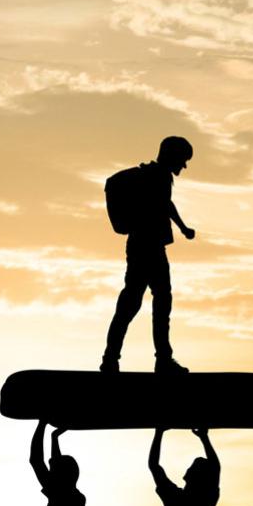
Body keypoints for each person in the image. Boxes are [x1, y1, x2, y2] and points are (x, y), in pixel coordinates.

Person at [101, 136, 198, 374]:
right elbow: (165, 205)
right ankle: (152, 359)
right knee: (141, 302)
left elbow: (167, 204)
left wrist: (183, 227)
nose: (184, 166)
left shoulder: (157, 176)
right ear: (172, 155)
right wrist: (183, 228)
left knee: (141, 302)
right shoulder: (158, 177)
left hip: (147, 246)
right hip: (147, 247)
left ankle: (116, 358)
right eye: (183, 160)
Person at [150, 428, 220, 506]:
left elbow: (154, 465)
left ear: (188, 474)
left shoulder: (174, 497)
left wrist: (159, 432)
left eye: (193, 466)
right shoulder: (205, 501)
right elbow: (215, 468)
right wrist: (204, 438)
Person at [31, 421, 86, 506]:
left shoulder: (58, 494)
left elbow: (36, 460)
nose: (50, 472)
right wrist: (54, 437)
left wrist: (41, 424)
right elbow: (58, 467)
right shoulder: (77, 498)